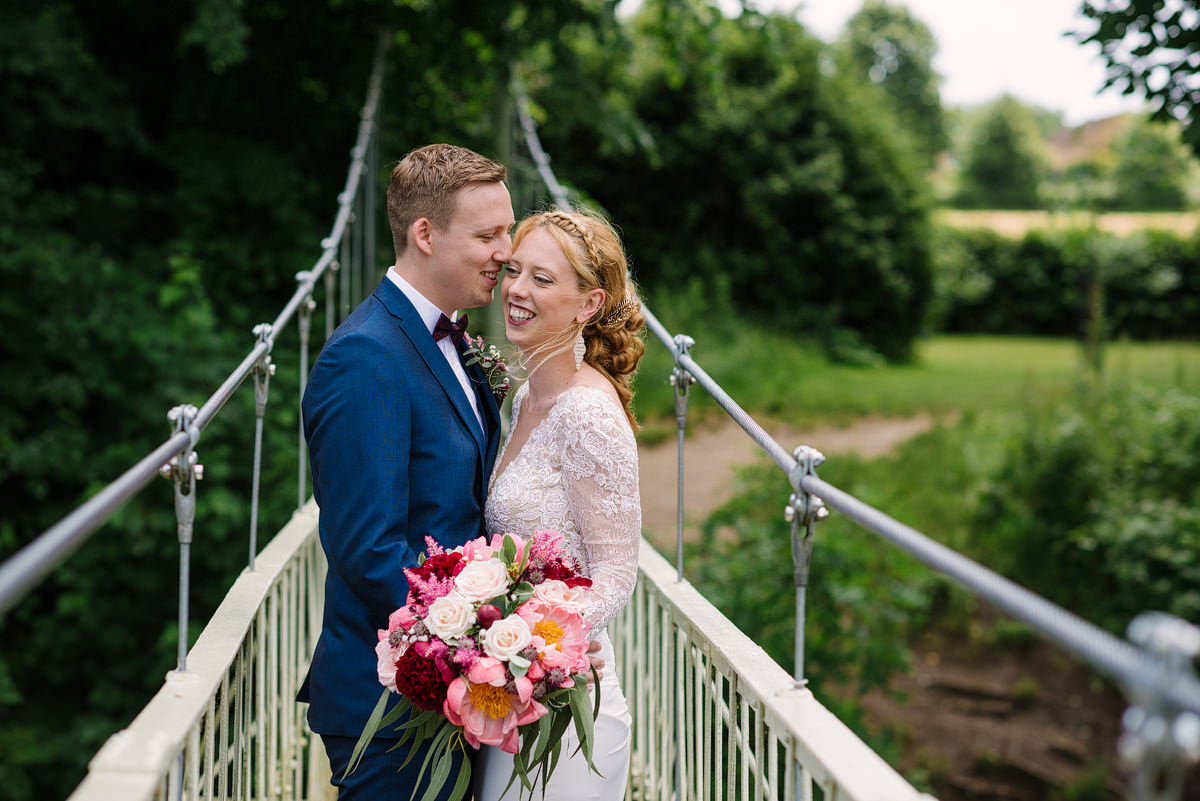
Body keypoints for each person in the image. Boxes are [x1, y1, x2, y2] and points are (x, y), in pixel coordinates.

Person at [299, 143, 513, 800]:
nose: (507, 251)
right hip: (390, 710)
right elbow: (370, 551)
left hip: (455, 696)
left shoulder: (455, 342)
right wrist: (488, 646)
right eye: (488, 234)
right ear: (425, 233)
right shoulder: (366, 357)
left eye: (508, 229)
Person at [474, 209, 646, 801]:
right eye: (514, 270)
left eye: (542, 280)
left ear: (588, 305)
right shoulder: (525, 397)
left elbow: (618, 571)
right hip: (513, 699)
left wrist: (538, 646)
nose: (516, 290)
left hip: (569, 715)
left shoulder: (587, 412)